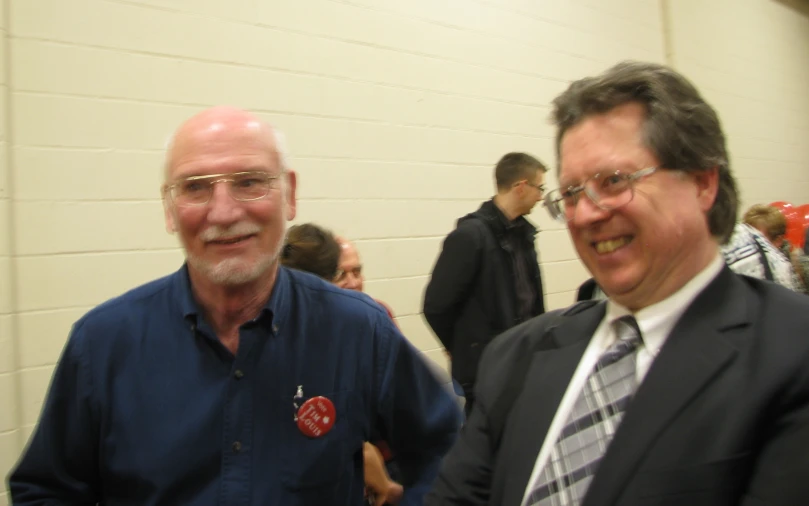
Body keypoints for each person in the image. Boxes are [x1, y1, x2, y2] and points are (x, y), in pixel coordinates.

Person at [8, 106, 461, 506]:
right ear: (169, 208)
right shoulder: (103, 345)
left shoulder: (359, 332)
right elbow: (47, 490)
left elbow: (449, 452)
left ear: (290, 193)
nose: (223, 213)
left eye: (249, 182)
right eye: (195, 188)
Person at [427, 61, 809, 506]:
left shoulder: (790, 353)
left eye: (614, 181)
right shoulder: (516, 358)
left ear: (703, 183)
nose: (586, 213)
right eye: (570, 193)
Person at [280, 222, 404, 505]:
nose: (352, 282)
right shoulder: (289, 331)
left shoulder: (378, 316)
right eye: (340, 274)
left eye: (357, 272)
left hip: (388, 458)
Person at [423, 152, 547, 416]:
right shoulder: (470, 236)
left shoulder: (524, 235)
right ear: (521, 187)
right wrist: (462, 347)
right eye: (540, 188)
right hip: (487, 373)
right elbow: (436, 305)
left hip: (524, 363)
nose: (541, 196)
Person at [741, 203, 809, 293]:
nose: (750, 242)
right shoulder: (744, 263)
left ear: (778, 240)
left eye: (758, 237)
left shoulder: (800, 265)